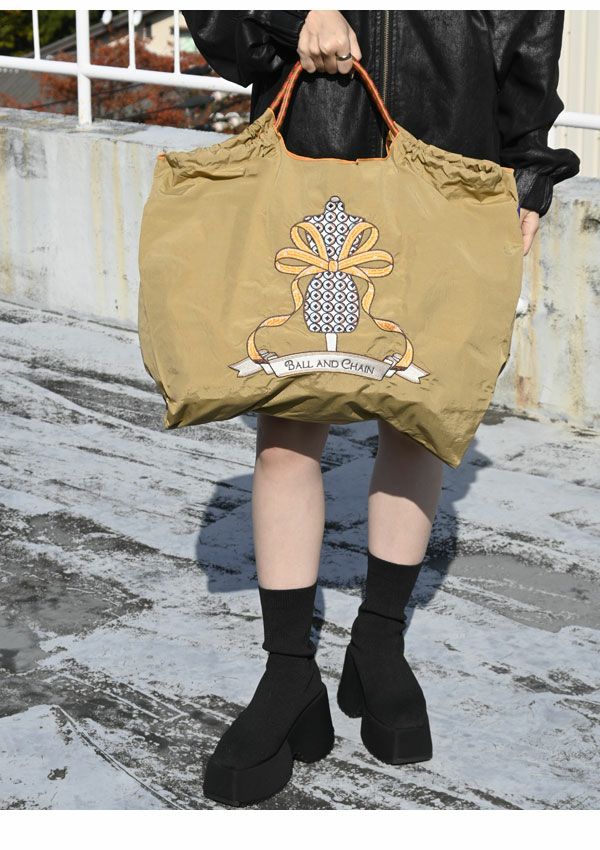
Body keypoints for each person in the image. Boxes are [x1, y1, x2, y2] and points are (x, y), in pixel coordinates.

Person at [181, 10, 580, 807]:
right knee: (287, 425)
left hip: (454, 157)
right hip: (310, 145)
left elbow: (529, 27)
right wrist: (297, 15)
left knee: (419, 412)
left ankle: (379, 641)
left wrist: (528, 170)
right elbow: (225, 33)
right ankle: (289, 671)